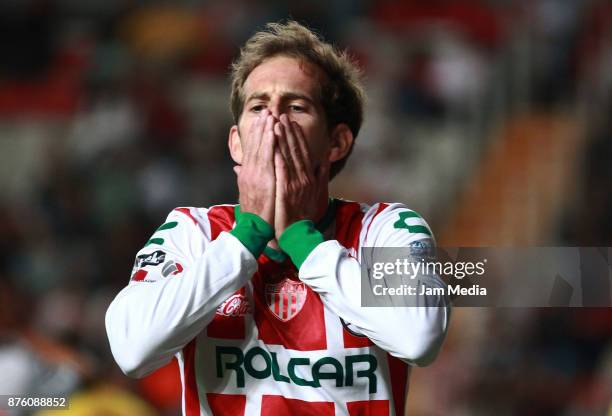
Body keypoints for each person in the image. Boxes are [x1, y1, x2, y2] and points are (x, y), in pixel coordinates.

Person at [106, 21, 450, 416]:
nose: (273, 123)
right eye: (258, 107)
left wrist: (303, 239)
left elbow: (419, 337)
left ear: (336, 142)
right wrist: (246, 236)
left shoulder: (386, 229)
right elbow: (132, 350)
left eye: (295, 107)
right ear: (236, 143)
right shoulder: (193, 232)